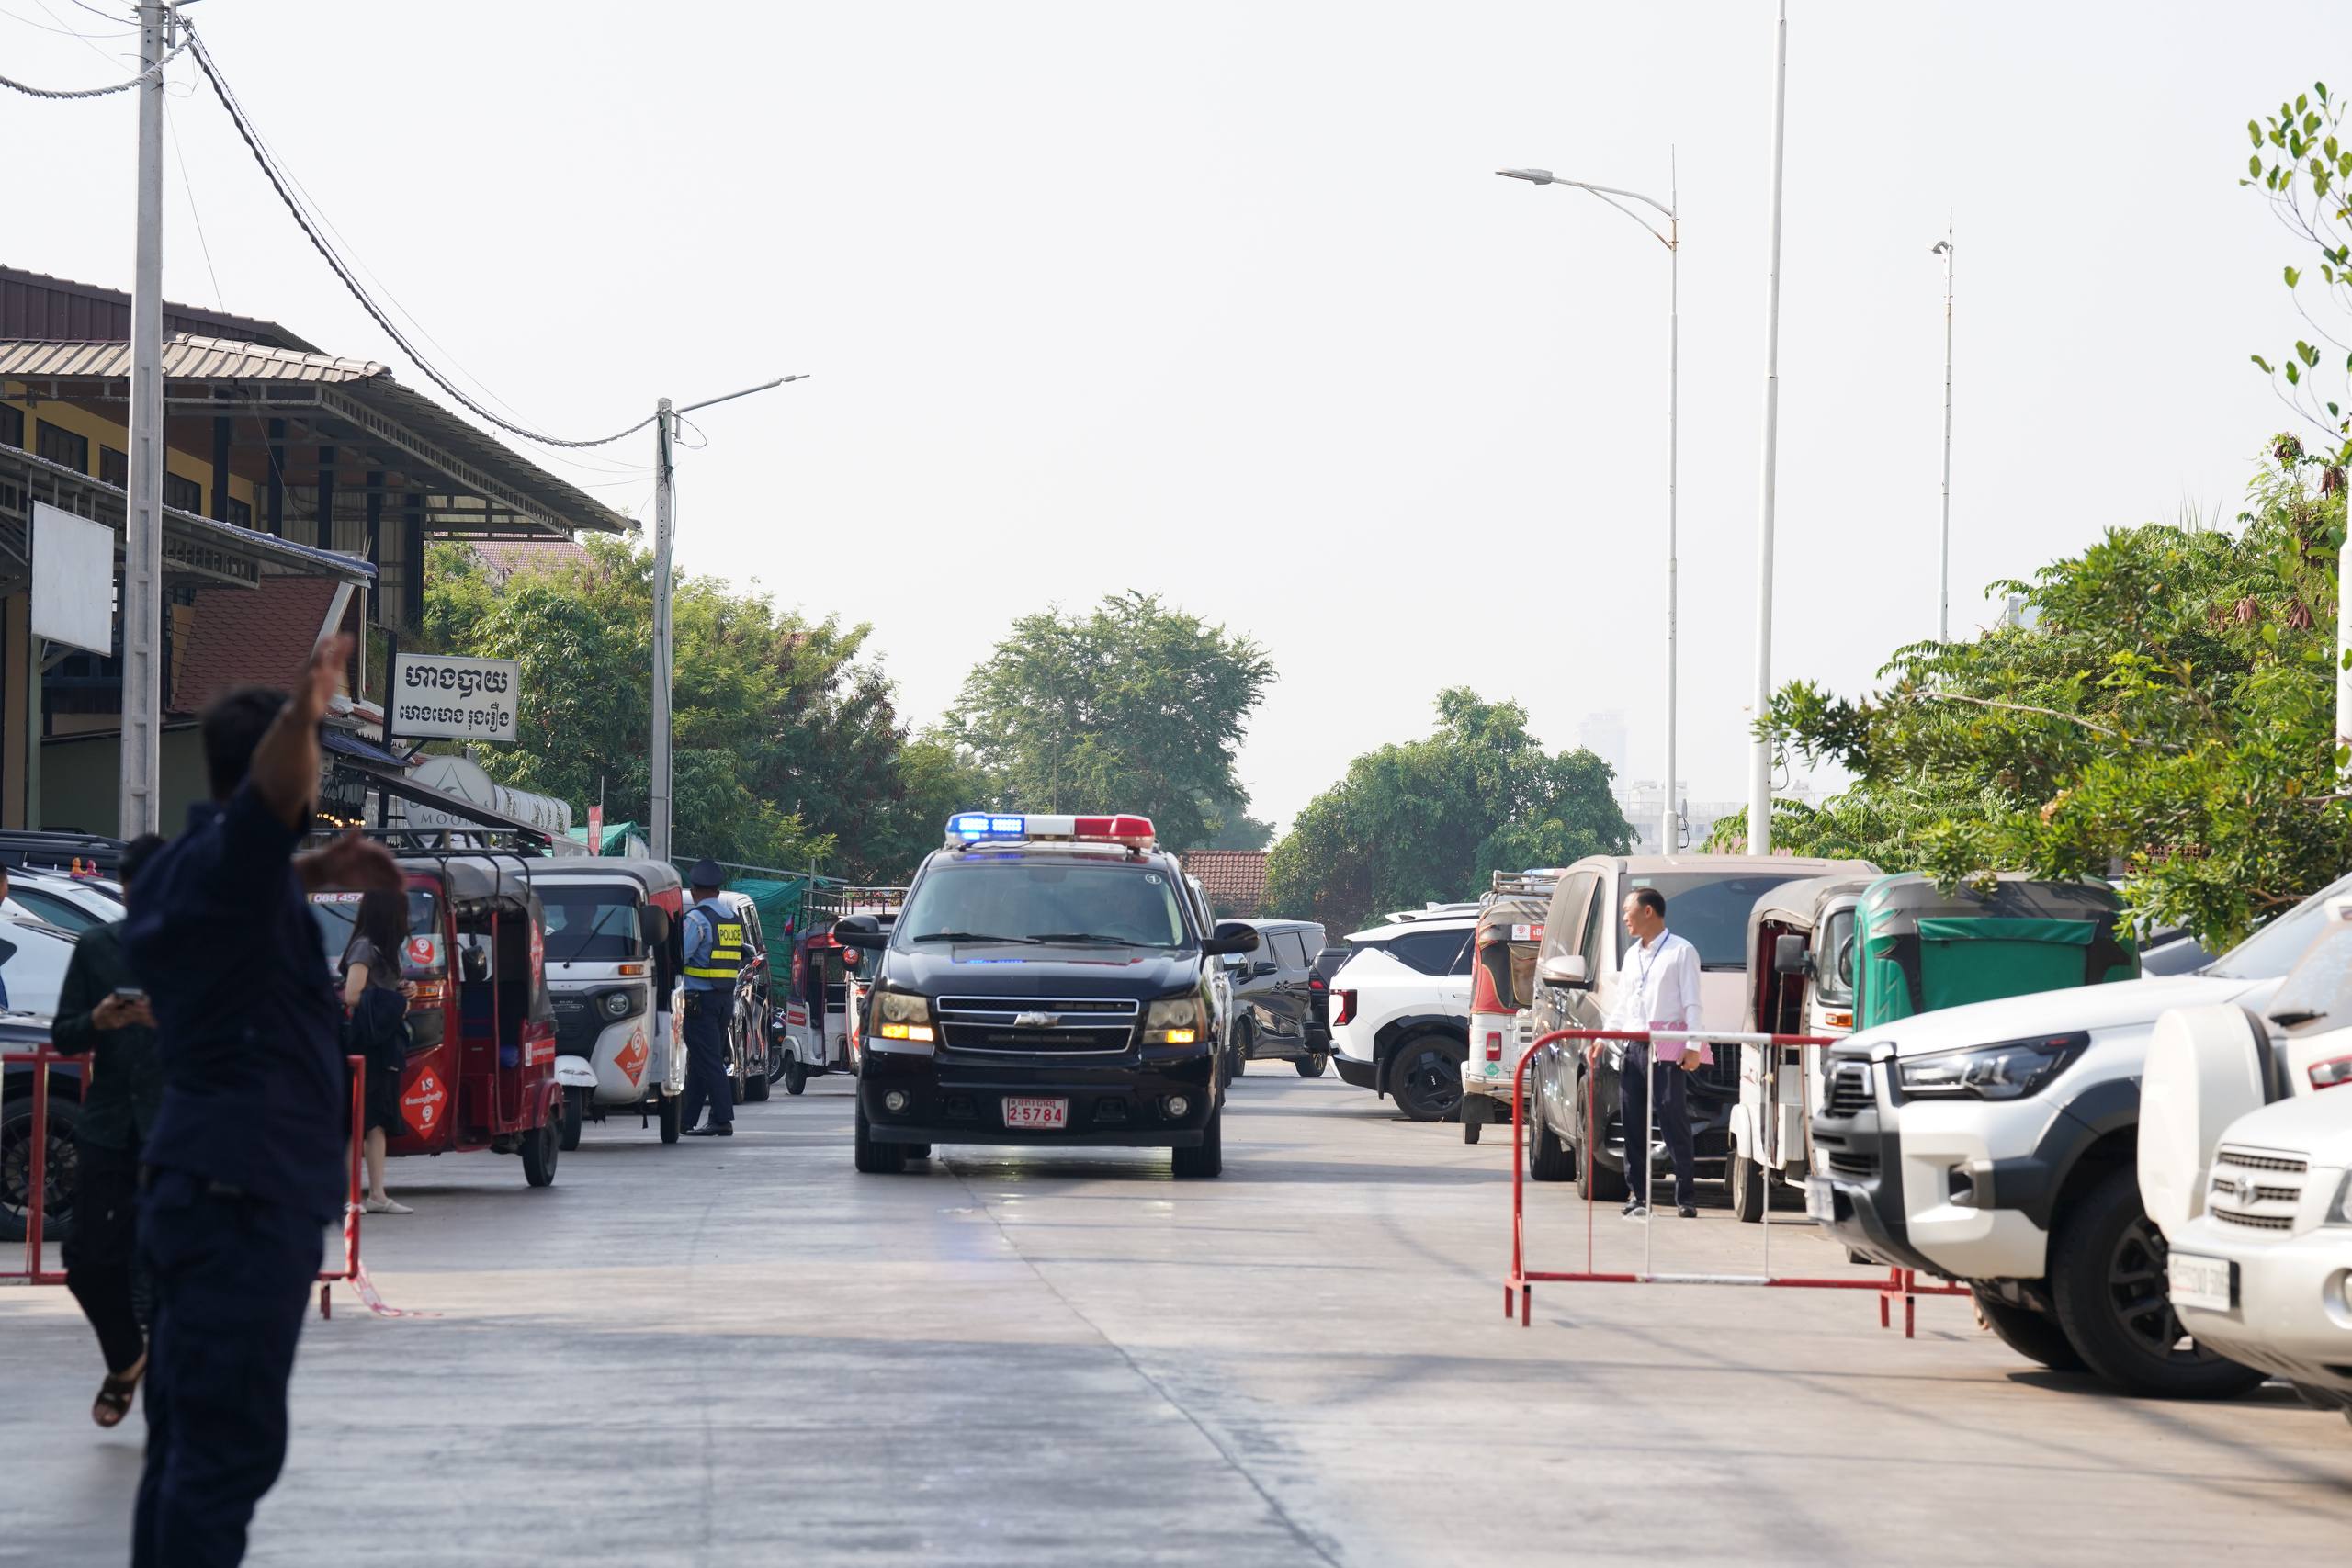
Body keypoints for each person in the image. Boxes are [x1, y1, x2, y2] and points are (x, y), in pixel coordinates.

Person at [122, 634, 403, 1568]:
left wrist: (315, 872)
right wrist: (306, 707)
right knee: (223, 1453)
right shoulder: (236, 854)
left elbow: (246, 871)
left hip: (202, 1188)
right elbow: (270, 801)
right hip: (243, 1200)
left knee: (185, 1444)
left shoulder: (183, 869)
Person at [49, 832, 166, 1428]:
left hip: (178, 1128)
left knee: (176, 1265)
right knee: (87, 1259)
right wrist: (97, 1018)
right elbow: (64, 1034)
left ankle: (170, 1397)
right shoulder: (97, 946)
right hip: (110, 1123)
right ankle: (126, 1358)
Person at [1607, 886, 1704, 1221]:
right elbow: (1622, 1004)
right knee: (1632, 1122)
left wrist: (1693, 1046)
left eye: (1627, 910)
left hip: (1667, 1047)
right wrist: (1602, 1039)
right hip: (1633, 1047)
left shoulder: (1681, 951)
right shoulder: (1631, 955)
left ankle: (1686, 1196)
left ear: (1648, 911)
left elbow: (1693, 1003)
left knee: (1672, 1120)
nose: (1625, 917)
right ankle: (1638, 1194)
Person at [338, 887, 415, 1215]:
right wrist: (395, 1001)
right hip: (367, 1044)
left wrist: (405, 991)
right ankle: (351, 1196)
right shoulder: (365, 947)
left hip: (384, 1043)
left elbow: (381, 991)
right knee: (359, 1120)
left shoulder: (386, 950)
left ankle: (376, 1195)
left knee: (377, 1121)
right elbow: (352, 995)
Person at [678, 860, 742, 1137]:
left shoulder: (697, 919)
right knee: (702, 1059)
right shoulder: (730, 918)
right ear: (717, 890)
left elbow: (680, 957)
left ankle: (722, 1118)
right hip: (724, 999)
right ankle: (686, 1120)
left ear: (694, 891)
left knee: (709, 1060)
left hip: (699, 1001)